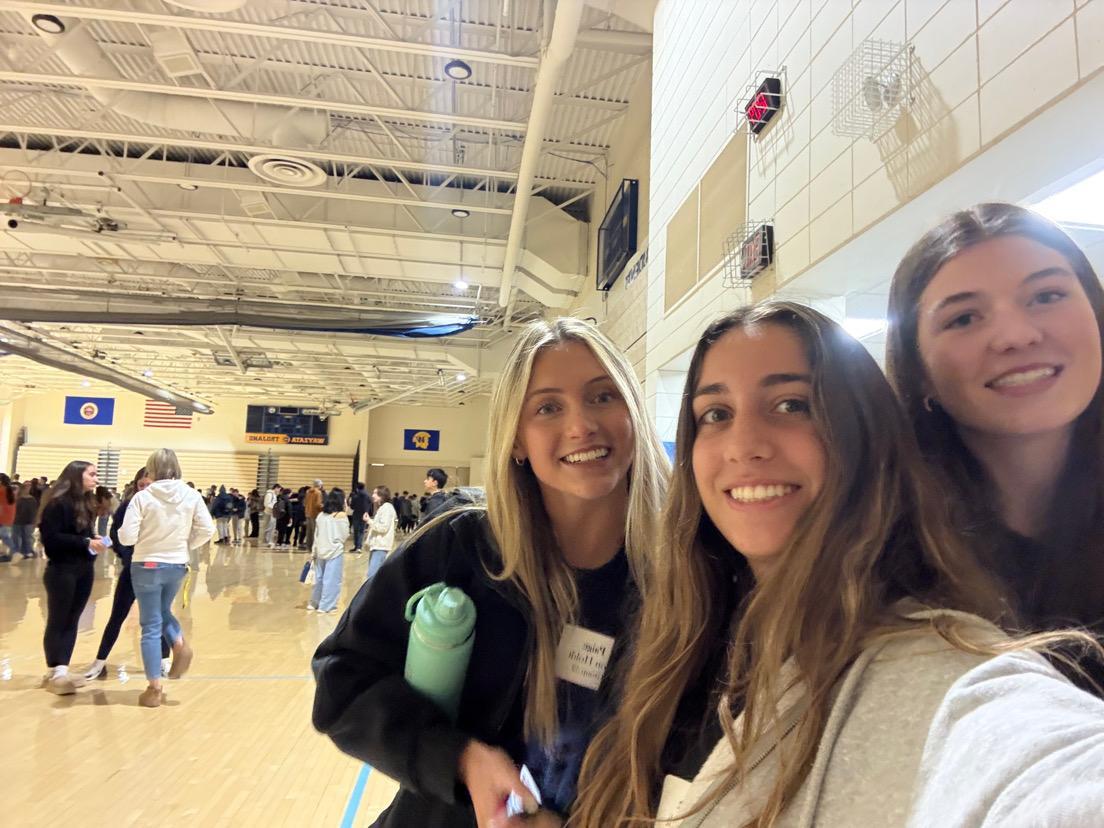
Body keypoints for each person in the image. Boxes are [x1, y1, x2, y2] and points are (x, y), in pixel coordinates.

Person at [573, 301, 1104, 828]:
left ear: (863, 434)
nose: (743, 446)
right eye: (716, 414)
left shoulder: (932, 663)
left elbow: (1041, 769)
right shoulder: (689, 641)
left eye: (791, 405)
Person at [311, 318, 667, 827]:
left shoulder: (682, 573)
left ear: (633, 410)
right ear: (517, 440)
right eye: (548, 407)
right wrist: (459, 759)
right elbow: (343, 681)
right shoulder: (459, 550)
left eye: (603, 396)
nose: (581, 425)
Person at [885, 202, 1104, 690]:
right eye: (964, 318)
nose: (1016, 336)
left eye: (1046, 295)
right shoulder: (882, 551)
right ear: (919, 372)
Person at [118, 448, 214, 707]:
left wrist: (144, 539)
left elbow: (126, 537)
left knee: (150, 625)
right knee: (162, 610)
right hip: (177, 564)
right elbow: (207, 529)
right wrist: (185, 545)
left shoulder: (143, 497)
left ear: (151, 469)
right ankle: (179, 644)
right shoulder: (192, 495)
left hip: (147, 564)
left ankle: (154, 689)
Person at [82, 467, 172, 681]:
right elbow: (116, 534)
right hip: (132, 570)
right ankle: (100, 661)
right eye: (141, 485)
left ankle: (163, 661)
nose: (144, 488)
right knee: (117, 616)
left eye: (148, 484)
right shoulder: (128, 506)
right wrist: (126, 555)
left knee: (159, 616)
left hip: (157, 571)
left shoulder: (165, 507)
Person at [37, 460, 107, 694]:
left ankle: (62, 670)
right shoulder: (56, 504)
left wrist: (94, 540)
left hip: (84, 569)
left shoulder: (87, 504)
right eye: (92, 474)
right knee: (58, 619)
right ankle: (54, 671)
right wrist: (85, 542)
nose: (96, 479)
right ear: (77, 476)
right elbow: (51, 540)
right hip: (61, 570)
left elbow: (82, 535)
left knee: (73, 619)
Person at [309, 488, 351, 613]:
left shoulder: (321, 515)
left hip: (320, 550)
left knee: (319, 579)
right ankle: (327, 606)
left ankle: (314, 603)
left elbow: (316, 535)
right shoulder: (341, 516)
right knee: (332, 580)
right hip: (334, 551)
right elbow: (344, 535)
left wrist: (313, 551)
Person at [364, 485, 396, 581]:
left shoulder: (387, 508)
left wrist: (369, 521)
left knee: (372, 576)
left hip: (380, 546)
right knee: (373, 575)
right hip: (377, 546)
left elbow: (383, 528)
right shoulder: (383, 508)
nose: (372, 495)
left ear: (382, 495)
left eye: (375, 493)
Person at [11, 481, 38, 559]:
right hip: (17, 521)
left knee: (26, 537)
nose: (27, 489)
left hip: (28, 521)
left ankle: (26, 551)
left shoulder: (32, 499)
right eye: (26, 487)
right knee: (16, 537)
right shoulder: (17, 498)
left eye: (29, 487)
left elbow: (34, 511)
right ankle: (17, 552)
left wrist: (34, 521)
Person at [348, 482, 371, 553]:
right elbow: (370, 504)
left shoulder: (355, 496)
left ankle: (356, 546)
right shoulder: (368, 496)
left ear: (357, 488)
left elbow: (352, 507)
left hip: (356, 515)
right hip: (364, 515)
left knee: (356, 531)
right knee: (361, 531)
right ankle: (359, 547)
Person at [0, 472, 15, 563]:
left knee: (5, 537)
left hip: (2, 518)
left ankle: (15, 552)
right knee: (4, 536)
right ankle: (5, 554)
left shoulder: (2, 490)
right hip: (8, 518)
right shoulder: (9, 490)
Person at [304, 479, 324, 549]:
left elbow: (305, 502)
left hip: (308, 513)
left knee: (309, 531)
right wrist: (323, 507)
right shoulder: (318, 492)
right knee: (315, 531)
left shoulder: (308, 492)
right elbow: (318, 504)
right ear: (320, 485)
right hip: (315, 514)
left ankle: (308, 546)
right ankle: (314, 546)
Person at [263, 483, 280, 547]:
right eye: (278, 489)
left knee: (272, 527)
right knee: (268, 527)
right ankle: (267, 541)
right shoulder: (269, 494)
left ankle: (269, 541)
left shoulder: (274, 494)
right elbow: (266, 504)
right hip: (269, 512)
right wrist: (274, 507)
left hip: (273, 513)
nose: (279, 491)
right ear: (276, 488)